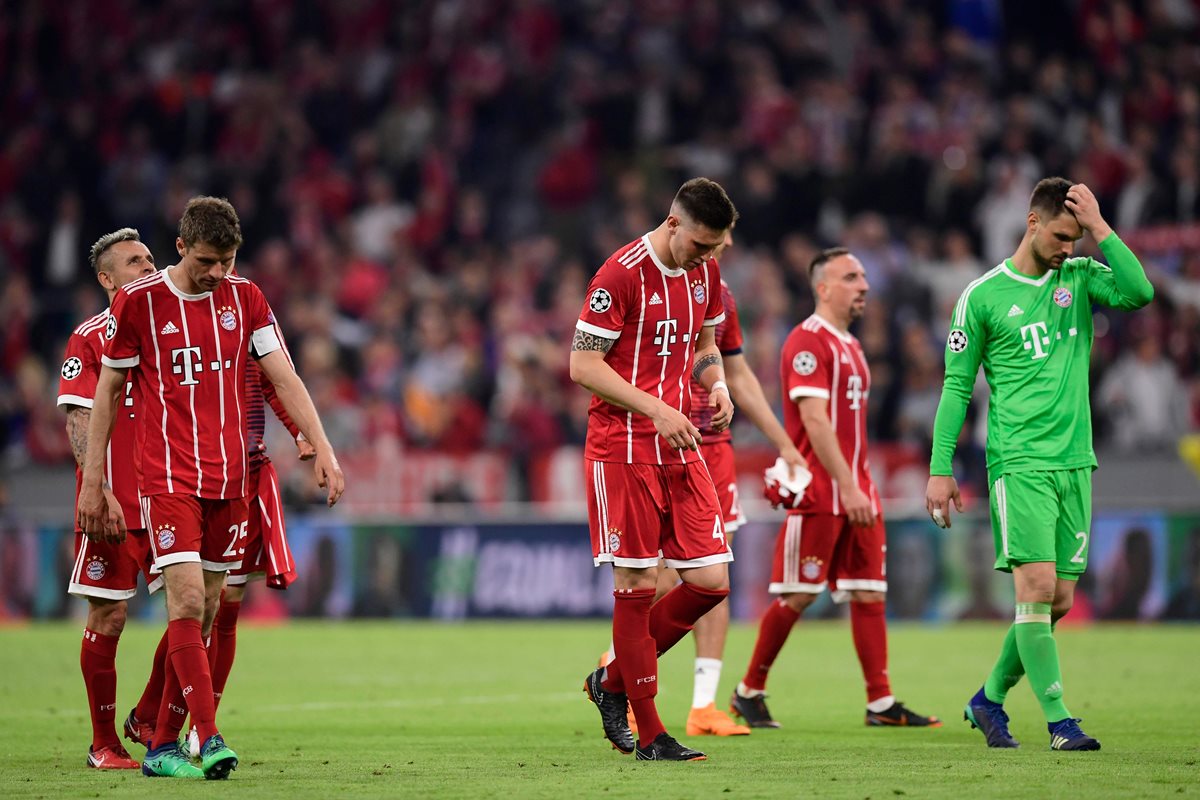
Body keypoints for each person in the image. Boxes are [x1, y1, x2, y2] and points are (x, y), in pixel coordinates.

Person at [77, 196, 345, 779]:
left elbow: (284, 376)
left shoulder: (246, 299)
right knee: (190, 601)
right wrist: (94, 481)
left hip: (232, 479)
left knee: (206, 615)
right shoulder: (139, 303)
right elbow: (107, 394)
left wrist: (320, 444)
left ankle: (162, 744)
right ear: (180, 247)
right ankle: (209, 733)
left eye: (227, 261)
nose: (217, 273)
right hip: (168, 478)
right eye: (206, 261)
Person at [926, 178, 1153, 751]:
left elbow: (1140, 292)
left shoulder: (1077, 277)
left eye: (1076, 239)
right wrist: (940, 466)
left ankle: (987, 701)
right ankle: (1059, 721)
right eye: (1059, 236)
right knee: (1036, 586)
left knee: (1059, 600)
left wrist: (1101, 228)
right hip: (1019, 458)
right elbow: (956, 387)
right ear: (1031, 221)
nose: (1066, 249)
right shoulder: (981, 296)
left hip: (1076, 459)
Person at [599, 229, 807, 738]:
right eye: (714, 239)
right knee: (659, 580)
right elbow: (592, 362)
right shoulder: (633, 275)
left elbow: (732, 370)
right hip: (647, 441)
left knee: (714, 577)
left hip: (706, 446)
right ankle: (619, 679)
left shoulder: (715, 287)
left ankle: (702, 703)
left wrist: (783, 442)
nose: (724, 247)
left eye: (729, 237)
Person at [730, 247, 941, 730]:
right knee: (799, 593)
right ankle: (749, 691)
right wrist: (847, 485)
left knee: (868, 592)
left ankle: (881, 702)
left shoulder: (852, 345)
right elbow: (813, 420)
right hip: (825, 491)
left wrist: (858, 485)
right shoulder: (807, 341)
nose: (864, 285)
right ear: (823, 287)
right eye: (851, 277)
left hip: (857, 486)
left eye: (865, 275)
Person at [572, 177, 737, 762]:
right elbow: (583, 365)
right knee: (638, 584)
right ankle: (651, 734)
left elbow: (705, 344)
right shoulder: (618, 274)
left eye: (715, 248)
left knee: (711, 580)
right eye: (700, 245)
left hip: (680, 441)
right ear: (672, 225)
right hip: (623, 447)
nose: (707, 257)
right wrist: (655, 406)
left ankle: (611, 680)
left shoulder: (706, 272)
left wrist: (715, 382)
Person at [57, 228, 160, 770]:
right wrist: (98, 490)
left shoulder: (170, 329)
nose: (147, 267)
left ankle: (148, 718)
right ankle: (104, 744)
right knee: (111, 614)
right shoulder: (90, 337)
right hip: (114, 503)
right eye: (133, 262)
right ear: (106, 279)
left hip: (170, 496)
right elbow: (78, 417)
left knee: (200, 606)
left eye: (149, 258)